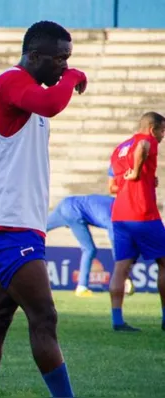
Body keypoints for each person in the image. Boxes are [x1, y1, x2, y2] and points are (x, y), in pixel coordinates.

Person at [0, 21, 87, 398]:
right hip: (9, 225)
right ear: (34, 56)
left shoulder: (26, 90)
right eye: (59, 59)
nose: (64, 67)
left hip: (15, 223)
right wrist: (75, 77)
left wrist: (65, 76)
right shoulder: (11, 81)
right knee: (44, 317)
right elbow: (52, 103)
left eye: (69, 60)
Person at [108, 111, 165, 332]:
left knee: (121, 268)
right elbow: (143, 148)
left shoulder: (120, 148)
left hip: (120, 214)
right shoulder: (146, 140)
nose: (162, 136)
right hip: (142, 213)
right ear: (152, 129)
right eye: (162, 130)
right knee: (163, 263)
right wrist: (138, 173)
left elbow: (114, 186)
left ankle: (117, 320)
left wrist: (147, 178)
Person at [46, 194, 119, 297]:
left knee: (39, 229)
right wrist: (122, 268)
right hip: (74, 211)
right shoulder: (114, 214)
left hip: (66, 203)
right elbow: (116, 240)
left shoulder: (115, 204)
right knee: (89, 249)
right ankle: (81, 287)